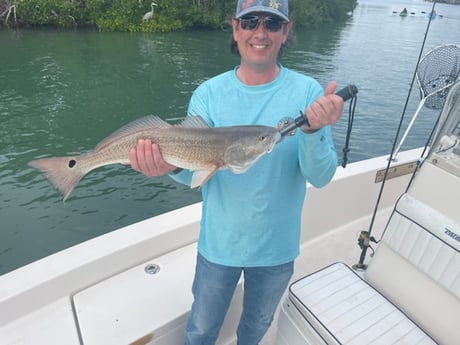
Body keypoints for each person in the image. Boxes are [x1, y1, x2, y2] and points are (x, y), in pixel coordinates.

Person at [129, 0, 344, 343]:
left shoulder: (308, 93)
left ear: (286, 32)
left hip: (276, 249)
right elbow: (193, 173)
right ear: (235, 28)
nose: (260, 32)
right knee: (200, 330)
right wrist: (165, 165)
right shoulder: (208, 94)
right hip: (218, 246)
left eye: (273, 23)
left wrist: (314, 130)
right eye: (250, 22)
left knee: (255, 329)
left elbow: (320, 176)